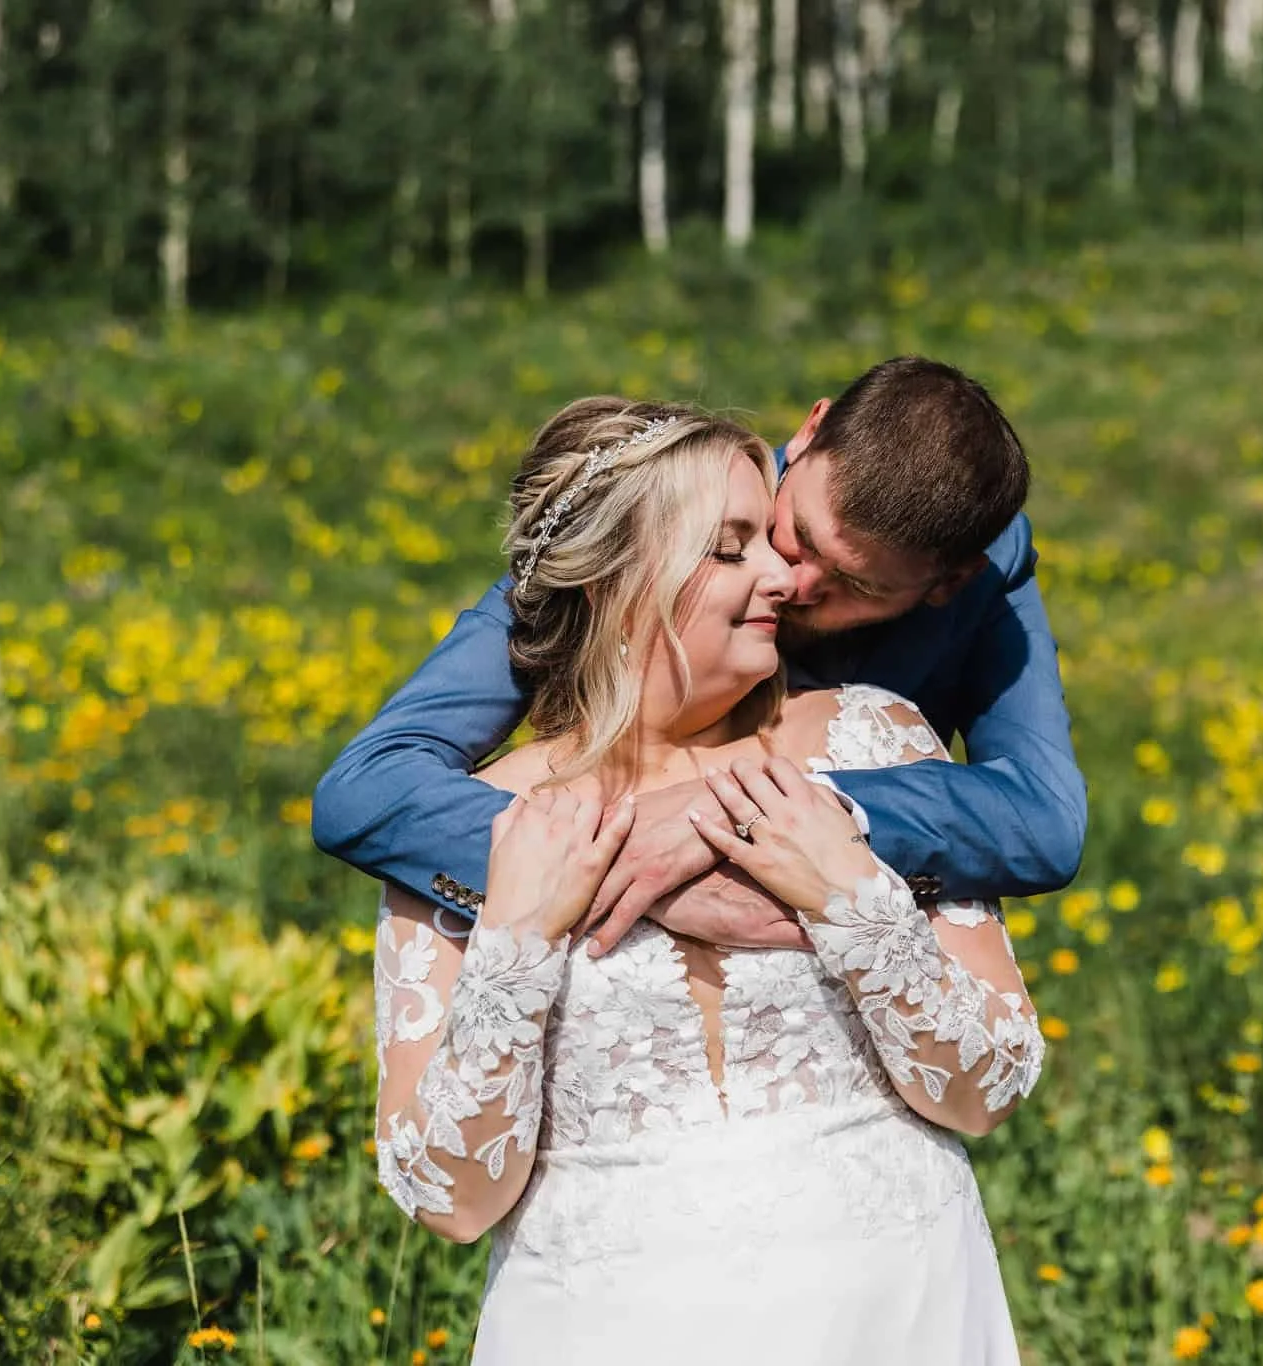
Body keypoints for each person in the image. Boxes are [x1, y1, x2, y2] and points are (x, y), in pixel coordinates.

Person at [370, 399, 1045, 1363]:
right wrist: (516, 943)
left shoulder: (874, 743)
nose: (782, 574)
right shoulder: (474, 828)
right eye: (732, 549)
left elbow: (990, 1086)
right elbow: (451, 1200)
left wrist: (851, 899)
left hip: (899, 1315)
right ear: (617, 581)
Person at [315, 356, 1086, 955]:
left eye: (854, 584)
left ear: (947, 583)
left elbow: (1043, 822)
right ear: (811, 432)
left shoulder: (990, 575)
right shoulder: (660, 522)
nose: (793, 580)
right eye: (801, 536)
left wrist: (748, 817)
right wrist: (620, 874)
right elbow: (368, 788)